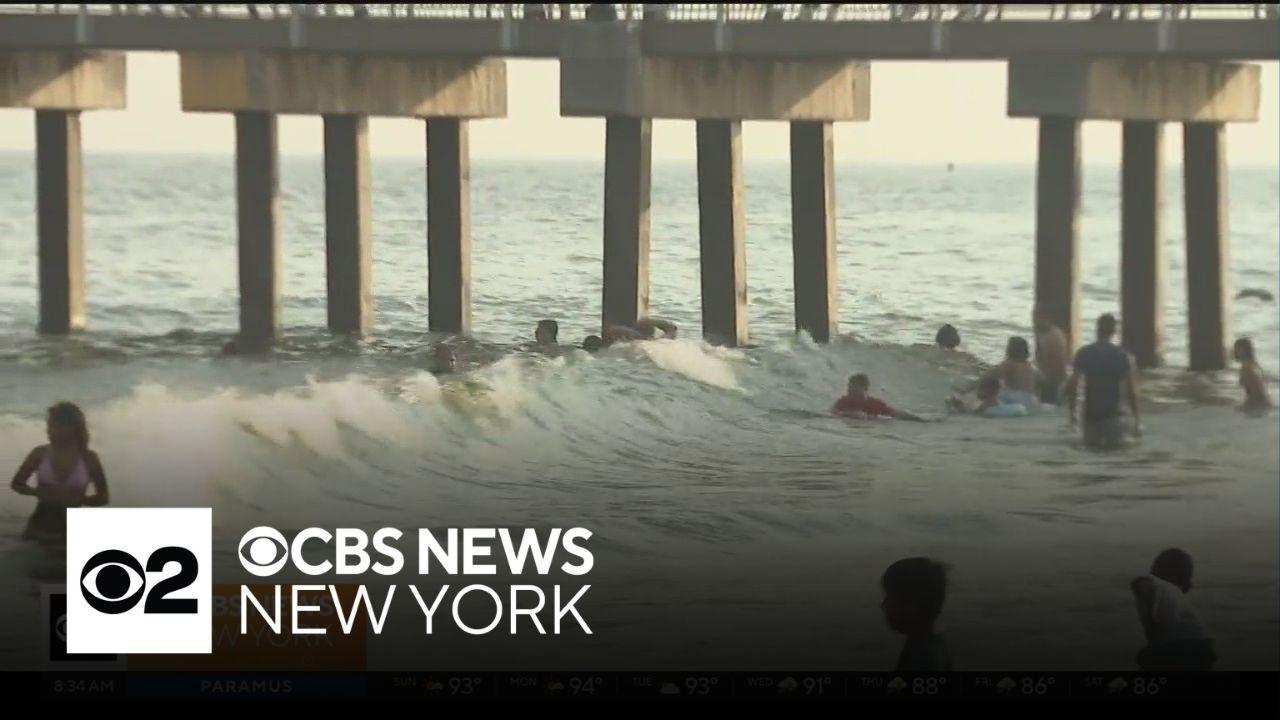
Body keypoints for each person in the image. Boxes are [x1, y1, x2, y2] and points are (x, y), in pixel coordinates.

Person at [10, 402, 110, 544]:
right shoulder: (40, 453)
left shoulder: (89, 458)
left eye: (54, 426)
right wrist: (38, 492)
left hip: (69, 536)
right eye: (48, 426)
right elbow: (16, 484)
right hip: (37, 531)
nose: (49, 431)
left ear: (71, 428)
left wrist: (80, 499)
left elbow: (103, 498)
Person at [1130, 549, 1216, 670]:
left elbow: (1142, 584)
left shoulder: (1153, 582)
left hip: (1175, 649)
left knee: (1146, 657)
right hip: (1204, 648)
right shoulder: (1176, 597)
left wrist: (1150, 627)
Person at [1065, 314, 1141, 449]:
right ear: (1115, 332)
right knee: (1117, 450)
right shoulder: (1123, 356)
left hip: (1091, 417)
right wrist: (1137, 419)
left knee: (1091, 449)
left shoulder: (1083, 353)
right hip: (1114, 416)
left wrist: (1073, 415)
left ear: (1097, 329)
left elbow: (1073, 386)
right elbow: (1132, 392)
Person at [881, 557, 953, 672]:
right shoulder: (935, 646)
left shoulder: (921, 658)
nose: (883, 604)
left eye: (890, 597)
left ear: (911, 606)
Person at [833, 374, 927, 422]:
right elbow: (834, 413)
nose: (850, 390)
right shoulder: (843, 402)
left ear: (864, 389)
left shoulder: (874, 403)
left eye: (854, 387)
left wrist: (919, 420)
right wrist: (848, 414)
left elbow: (894, 413)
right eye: (849, 387)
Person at [947, 376, 1028, 418]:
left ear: (988, 391)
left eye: (980, 388)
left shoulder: (984, 409)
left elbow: (971, 413)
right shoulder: (1004, 404)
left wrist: (954, 407)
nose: (977, 391)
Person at [1033, 310, 1069, 404]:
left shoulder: (1052, 335)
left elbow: (1051, 360)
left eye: (1037, 318)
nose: (1035, 321)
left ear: (1047, 319)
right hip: (1052, 377)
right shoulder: (1049, 332)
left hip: (1053, 379)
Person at [1233, 338, 1272, 411]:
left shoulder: (1246, 368)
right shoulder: (1255, 365)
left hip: (1257, 403)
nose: (1234, 351)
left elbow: (1253, 393)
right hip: (1265, 402)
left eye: (1237, 349)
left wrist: (1244, 407)